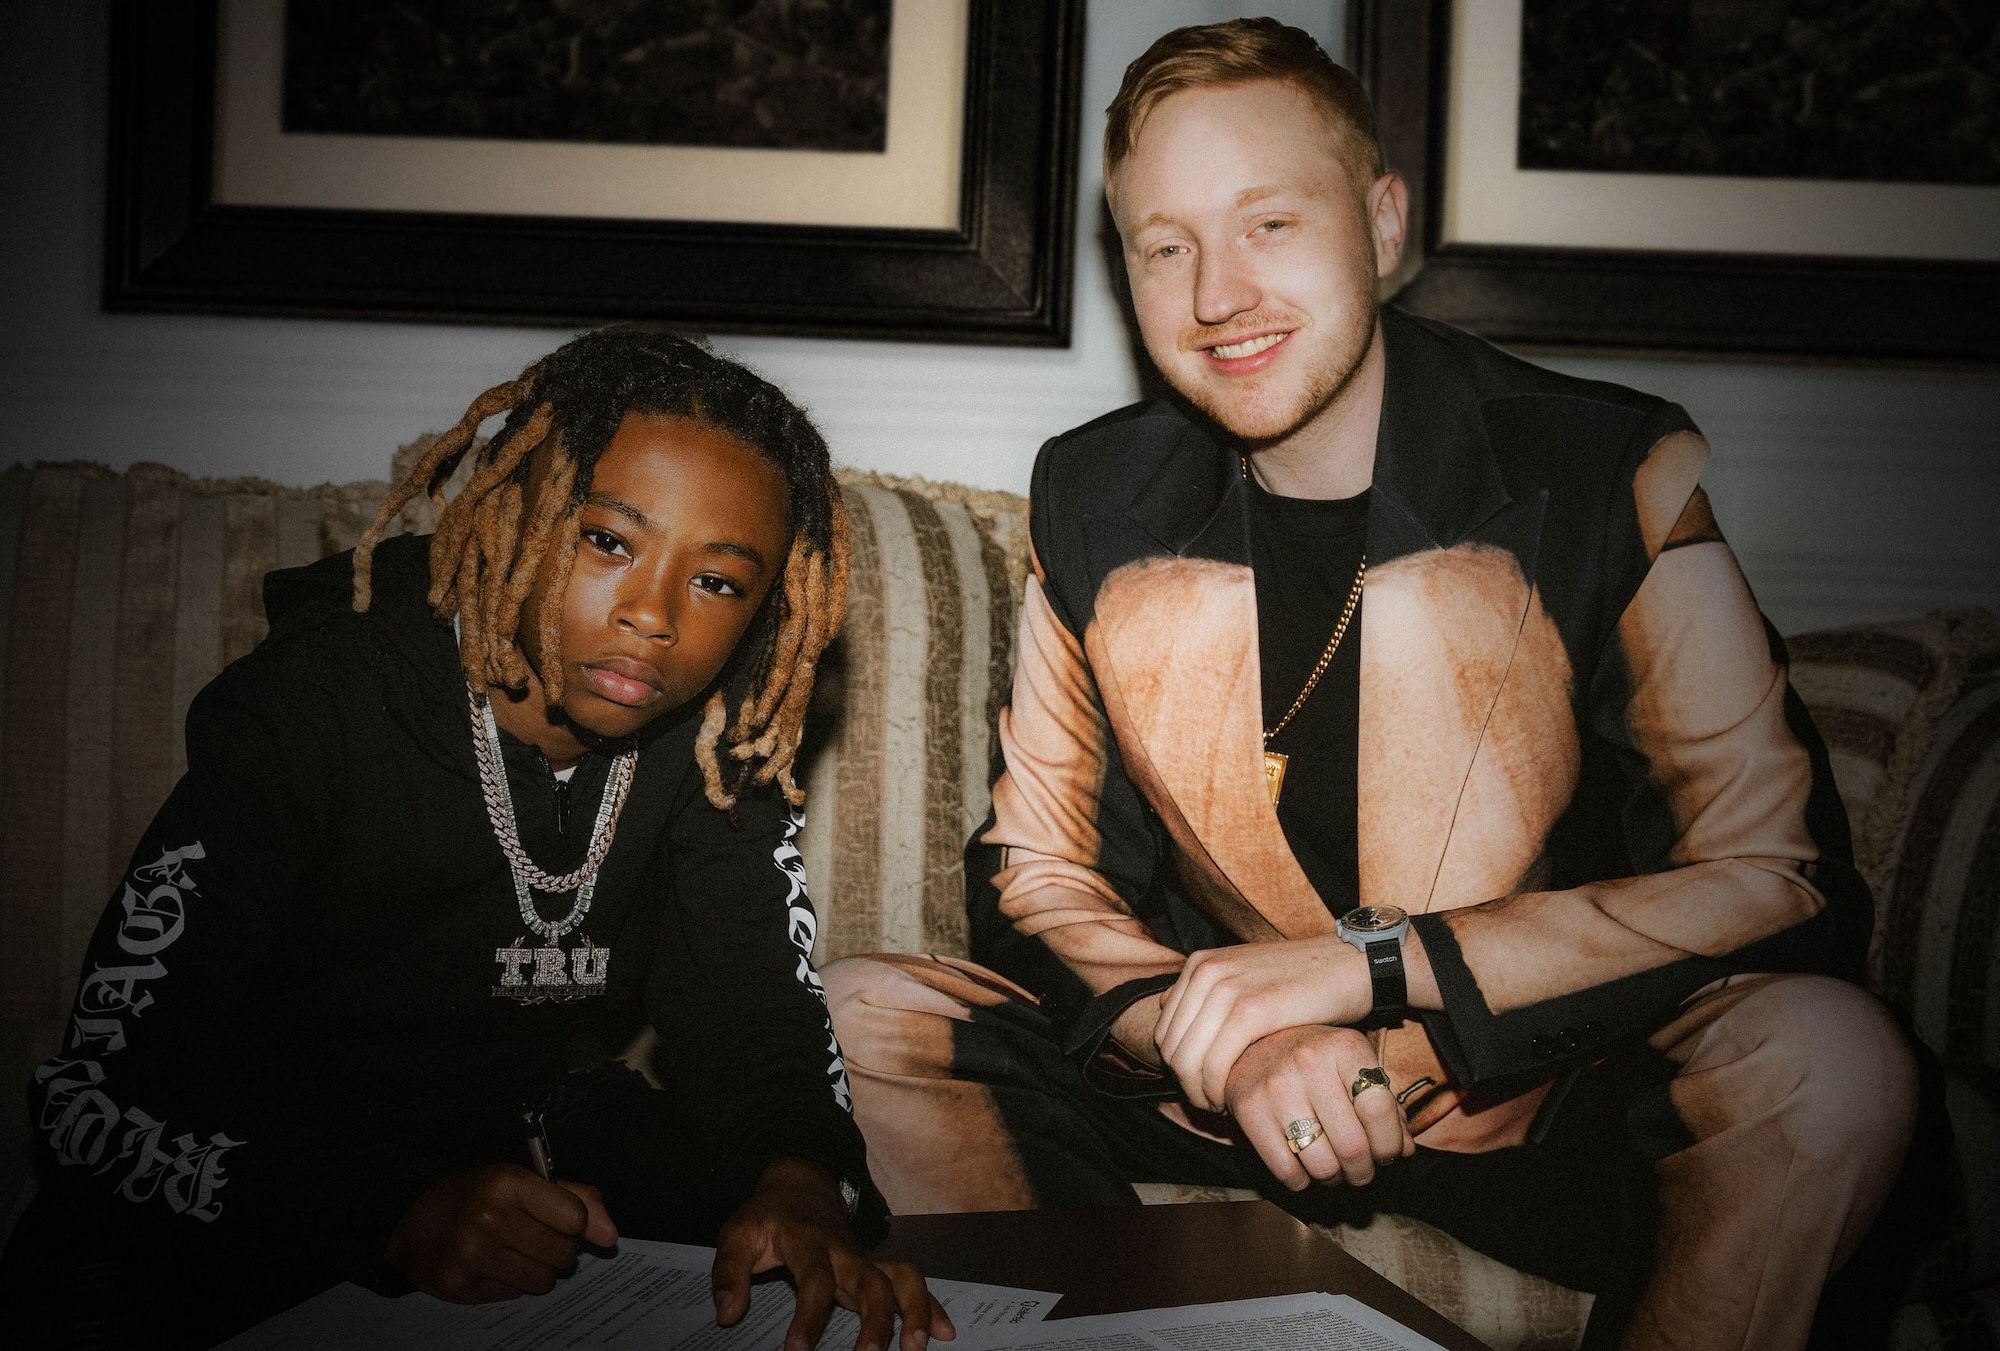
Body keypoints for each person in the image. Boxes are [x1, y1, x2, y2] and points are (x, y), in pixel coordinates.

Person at [823, 18, 1924, 1350]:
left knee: (1832, 1057)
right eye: (1165, 247)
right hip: (1228, 1096)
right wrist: (1222, 1037)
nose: (1216, 293)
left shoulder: (1606, 465)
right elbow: (1037, 876)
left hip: (1548, 1093)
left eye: (1268, 223)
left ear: (1382, 222)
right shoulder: (1092, 491)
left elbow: (1780, 878)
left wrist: (1375, 970)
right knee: (862, 1014)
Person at [2, 329, 954, 1351]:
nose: (651, 614)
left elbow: (755, 1012)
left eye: (717, 581)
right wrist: (386, 1212)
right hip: (250, 1199)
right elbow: (88, 1107)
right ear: (510, 518)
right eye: (607, 541)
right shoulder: (317, 706)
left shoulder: (719, 744)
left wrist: (800, 1184)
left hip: (523, 1169)